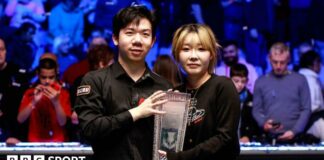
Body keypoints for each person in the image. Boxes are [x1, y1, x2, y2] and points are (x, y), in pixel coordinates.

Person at [74, 5, 171, 160]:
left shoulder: (163, 86)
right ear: (115, 38)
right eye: (130, 33)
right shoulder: (95, 81)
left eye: (145, 34)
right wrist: (136, 113)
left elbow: (169, 142)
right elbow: (89, 129)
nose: (138, 40)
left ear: (153, 41)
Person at [161, 24, 240, 160]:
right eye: (186, 49)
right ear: (176, 55)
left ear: (211, 54)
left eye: (201, 49)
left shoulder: (222, 86)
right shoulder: (176, 93)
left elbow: (225, 137)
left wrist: (179, 157)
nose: (193, 56)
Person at [252, 42, 311, 144]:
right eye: (275, 62)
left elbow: (306, 109)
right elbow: (256, 110)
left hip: (296, 138)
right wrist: (263, 124)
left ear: (288, 60)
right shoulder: (261, 81)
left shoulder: (300, 80)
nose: (278, 66)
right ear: (269, 59)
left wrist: (294, 131)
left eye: (282, 62)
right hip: (269, 138)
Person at [17, 58, 72, 142]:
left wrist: (56, 103)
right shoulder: (30, 92)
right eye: (43, 77)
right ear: (38, 75)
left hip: (57, 143)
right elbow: (20, 119)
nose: (47, 81)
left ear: (56, 75)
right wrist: (33, 102)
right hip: (35, 142)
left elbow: (62, 123)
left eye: (51, 77)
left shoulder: (63, 93)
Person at [230, 63, 260, 143]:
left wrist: (248, 136)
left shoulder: (251, 99)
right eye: (236, 81)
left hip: (245, 142)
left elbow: (254, 123)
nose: (240, 84)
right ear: (230, 79)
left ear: (247, 81)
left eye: (243, 81)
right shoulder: (223, 98)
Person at [299, 51, 324, 141]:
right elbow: (311, 107)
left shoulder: (304, 77)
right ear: (311, 64)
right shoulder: (309, 80)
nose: (320, 65)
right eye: (318, 62)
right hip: (310, 121)